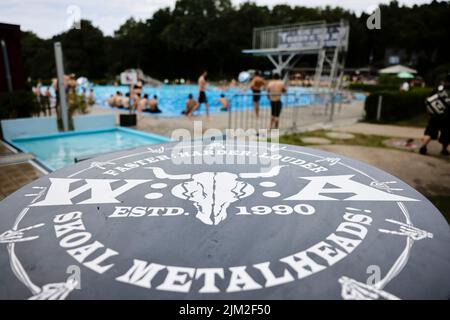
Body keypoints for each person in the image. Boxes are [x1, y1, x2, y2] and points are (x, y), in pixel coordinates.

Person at [419, 73, 450, 156]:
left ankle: (423, 146)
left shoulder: (439, 89)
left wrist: (429, 112)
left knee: (430, 132)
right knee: (446, 135)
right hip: (447, 118)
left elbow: (428, 100)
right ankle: (444, 149)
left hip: (434, 115)